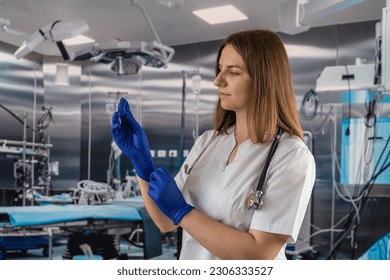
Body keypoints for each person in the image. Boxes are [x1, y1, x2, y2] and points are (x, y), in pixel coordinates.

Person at [112, 29, 316, 260]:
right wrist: (143, 166)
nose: (218, 81)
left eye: (233, 72)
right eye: (220, 69)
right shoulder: (208, 142)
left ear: (264, 79)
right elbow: (166, 221)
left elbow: (259, 254)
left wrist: (184, 213)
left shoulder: (290, 154)